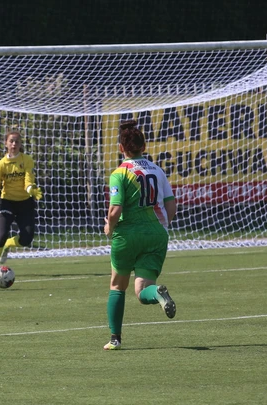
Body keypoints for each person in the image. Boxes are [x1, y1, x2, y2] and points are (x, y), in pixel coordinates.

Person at [103, 120, 177, 350]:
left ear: (120, 149)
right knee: (143, 291)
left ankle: (115, 338)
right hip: (156, 235)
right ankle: (158, 293)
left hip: (128, 235)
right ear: (144, 147)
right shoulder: (157, 170)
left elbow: (115, 209)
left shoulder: (120, 173)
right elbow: (171, 204)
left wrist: (109, 228)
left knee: (117, 286)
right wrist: (163, 226)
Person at [0, 130, 42, 278]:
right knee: (2, 235)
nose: (14, 144)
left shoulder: (27, 160)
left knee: (26, 239)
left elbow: (28, 180)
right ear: (6, 144)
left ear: (21, 144)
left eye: (17, 141)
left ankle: (8, 245)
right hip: (8, 203)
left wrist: (31, 189)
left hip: (25, 203)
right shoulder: (1, 165)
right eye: (11, 141)